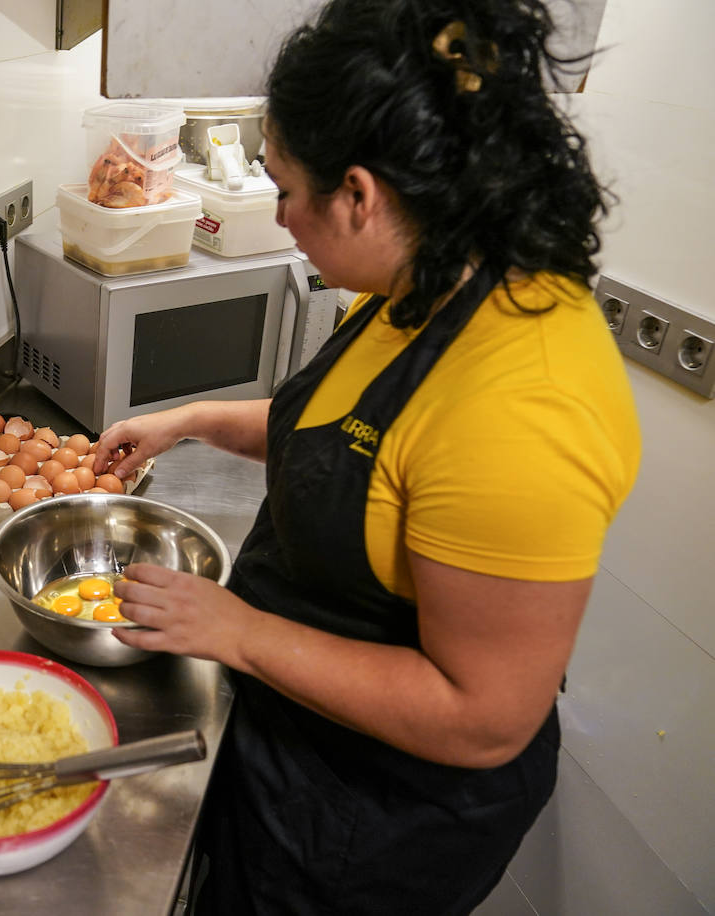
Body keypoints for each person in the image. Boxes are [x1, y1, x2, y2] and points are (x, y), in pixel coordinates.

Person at [90, 1, 641, 913]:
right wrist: (190, 420)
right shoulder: (427, 277)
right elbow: (353, 443)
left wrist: (238, 631)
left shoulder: (523, 401)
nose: (279, 211)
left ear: (358, 194)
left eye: (286, 186)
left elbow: (483, 718)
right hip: (293, 737)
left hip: (375, 820)